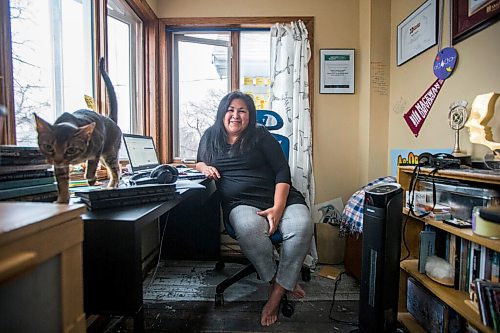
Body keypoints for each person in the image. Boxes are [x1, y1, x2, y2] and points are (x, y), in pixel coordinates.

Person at [195, 91, 313, 327]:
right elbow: (199, 160)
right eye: (230, 109)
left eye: (242, 110)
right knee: (249, 228)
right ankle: (279, 281)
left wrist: (278, 208)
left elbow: (282, 171)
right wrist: (203, 167)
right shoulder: (210, 136)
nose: (235, 115)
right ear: (222, 113)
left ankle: (276, 294)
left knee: (302, 225)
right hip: (240, 203)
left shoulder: (260, 134)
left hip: (281, 198)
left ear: (250, 115)